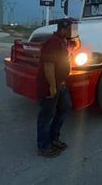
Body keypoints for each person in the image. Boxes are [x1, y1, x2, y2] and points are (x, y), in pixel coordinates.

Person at [36, 18, 73, 158]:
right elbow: (48, 65)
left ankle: (53, 138)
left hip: (60, 83)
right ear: (64, 29)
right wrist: (52, 86)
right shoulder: (53, 42)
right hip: (49, 85)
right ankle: (43, 146)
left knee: (65, 107)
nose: (72, 32)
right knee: (46, 116)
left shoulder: (61, 41)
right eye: (70, 29)